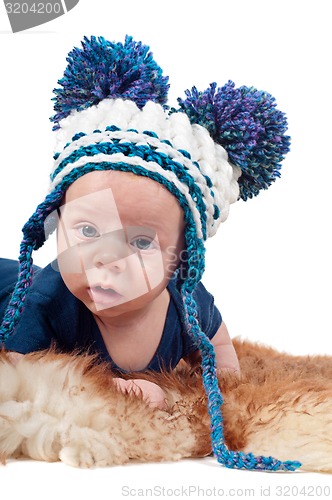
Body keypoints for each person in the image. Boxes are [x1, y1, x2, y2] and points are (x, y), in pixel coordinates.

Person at [0, 35, 300, 471]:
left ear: (183, 256)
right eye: (86, 229)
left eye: (141, 242)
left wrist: (227, 381)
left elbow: (216, 343)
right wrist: (107, 386)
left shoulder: (186, 303)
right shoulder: (46, 296)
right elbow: (18, 371)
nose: (104, 257)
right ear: (55, 223)